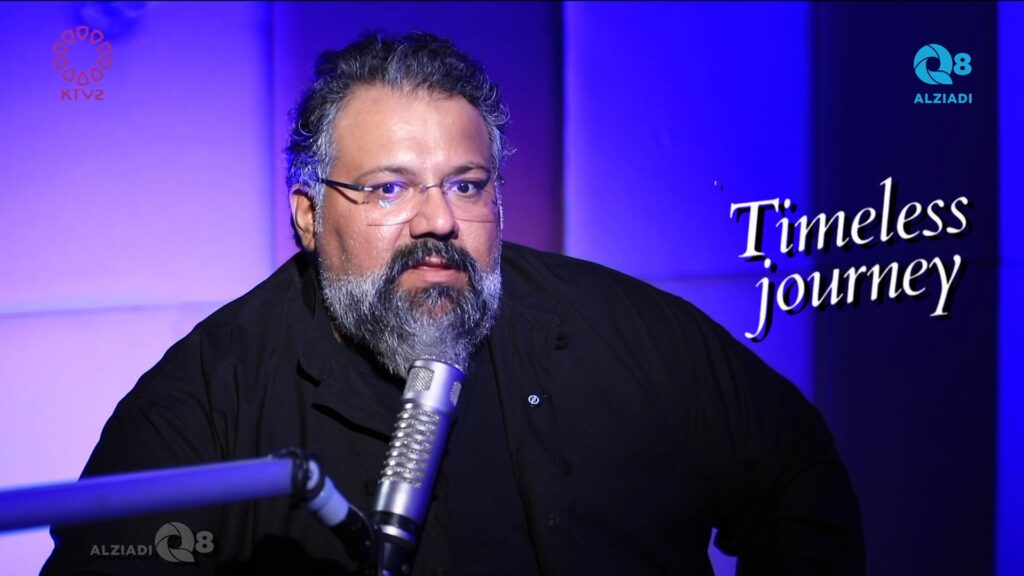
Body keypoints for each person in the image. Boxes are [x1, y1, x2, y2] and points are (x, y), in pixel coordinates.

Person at [43, 32, 864, 575]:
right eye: (389, 188)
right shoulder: (206, 400)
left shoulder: (627, 335)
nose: (437, 220)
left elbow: (798, 474)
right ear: (307, 216)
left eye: (465, 185)